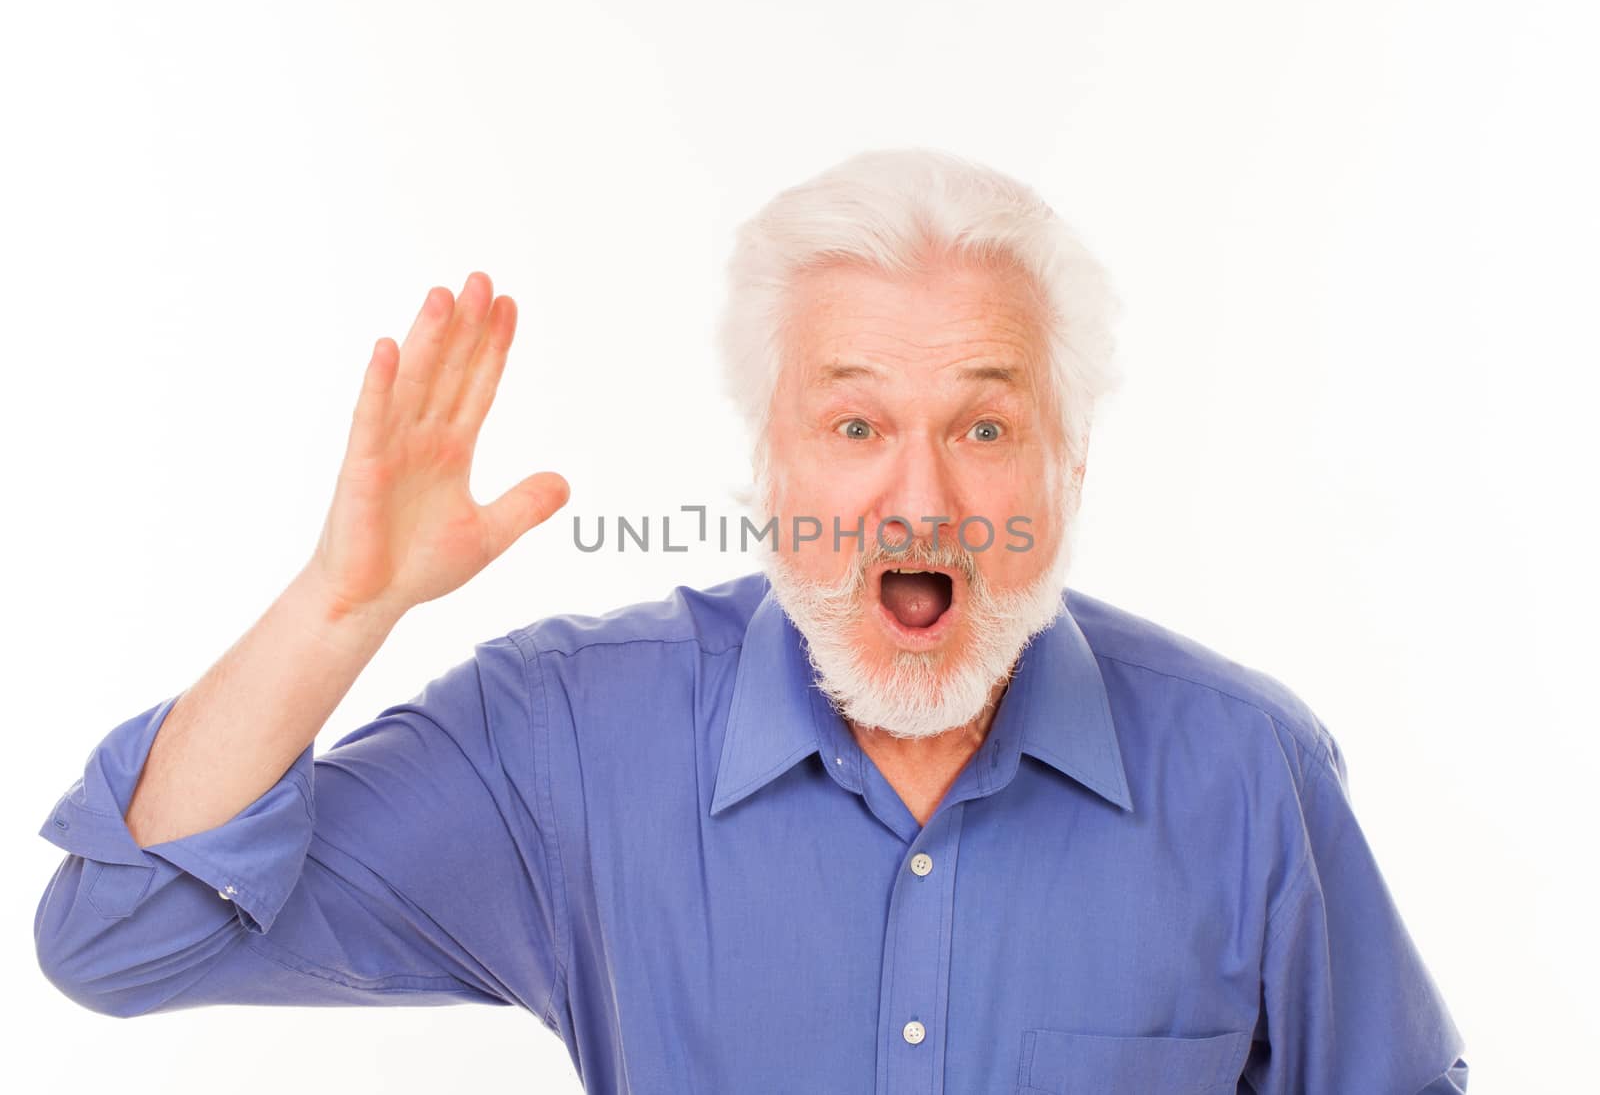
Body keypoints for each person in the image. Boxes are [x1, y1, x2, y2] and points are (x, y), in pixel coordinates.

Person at [34, 148, 1469, 1093]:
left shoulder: (1248, 773)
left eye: (983, 422)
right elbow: (120, 937)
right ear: (769, 464)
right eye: (854, 421)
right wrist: (340, 606)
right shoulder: (568, 741)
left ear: (1068, 467)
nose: (920, 499)